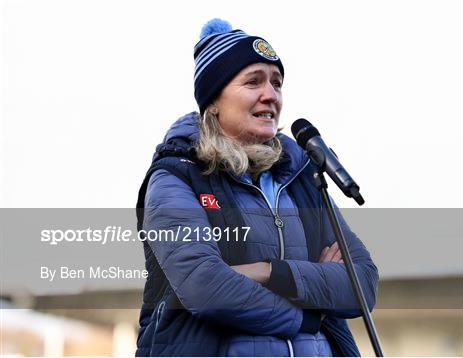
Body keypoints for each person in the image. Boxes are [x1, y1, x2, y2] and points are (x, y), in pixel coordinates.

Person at [135, 19, 378, 357]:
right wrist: (310, 312)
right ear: (213, 101)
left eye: (277, 83)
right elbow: (206, 287)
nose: (271, 95)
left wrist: (268, 272)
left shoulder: (304, 177)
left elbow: (361, 284)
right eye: (253, 82)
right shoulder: (177, 177)